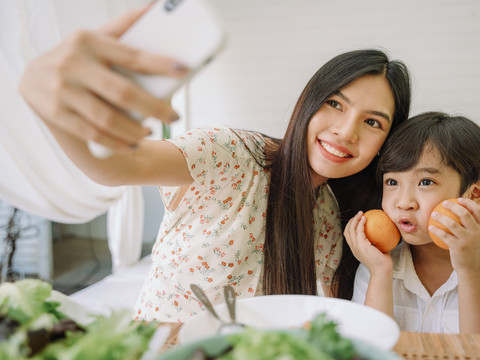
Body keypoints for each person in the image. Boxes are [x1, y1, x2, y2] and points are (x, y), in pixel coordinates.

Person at [18, 7, 412, 323]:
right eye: (335, 104)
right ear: (308, 103)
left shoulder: (330, 217)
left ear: (384, 144)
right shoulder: (231, 153)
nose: (346, 131)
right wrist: (54, 109)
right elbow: (119, 166)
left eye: (372, 121)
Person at [344, 112, 480, 336]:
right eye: (392, 182)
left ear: (475, 193)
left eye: (426, 182)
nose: (404, 203)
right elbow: (368, 350)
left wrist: (471, 271)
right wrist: (380, 274)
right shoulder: (376, 267)